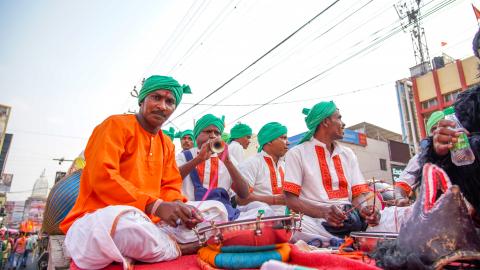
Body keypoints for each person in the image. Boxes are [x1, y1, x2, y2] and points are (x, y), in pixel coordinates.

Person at [59, 75, 227, 269]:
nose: (163, 106)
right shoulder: (114, 126)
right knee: (123, 223)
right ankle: (178, 247)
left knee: (217, 210)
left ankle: (154, 246)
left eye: (170, 102)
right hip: (99, 219)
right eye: (156, 97)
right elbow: (103, 176)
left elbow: (170, 185)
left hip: (152, 223)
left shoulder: (166, 144)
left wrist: (179, 209)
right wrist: (154, 206)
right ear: (142, 99)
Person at [283, 101, 380, 244]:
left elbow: (357, 195)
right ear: (326, 122)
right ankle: (344, 241)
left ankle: (345, 239)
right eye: (339, 118)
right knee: (297, 227)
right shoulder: (297, 153)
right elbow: (290, 200)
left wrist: (365, 209)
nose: (343, 123)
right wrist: (323, 212)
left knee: (392, 218)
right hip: (316, 222)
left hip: (351, 219)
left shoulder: (348, 154)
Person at [176, 114, 273, 221]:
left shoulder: (227, 158)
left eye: (217, 133)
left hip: (223, 214)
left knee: (263, 209)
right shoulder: (183, 157)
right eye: (208, 131)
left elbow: (244, 194)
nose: (213, 136)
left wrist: (228, 162)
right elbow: (171, 178)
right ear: (197, 135)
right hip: (193, 214)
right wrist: (198, 159)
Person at [237, 122, 289, 215]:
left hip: (285, 219)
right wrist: (275, 200)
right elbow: (241, 199)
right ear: (269, 140)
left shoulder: (284, 166)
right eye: (283, 138)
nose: (288, 142)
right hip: (259, 220)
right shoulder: (251, 164)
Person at [394, 110, 444, 206]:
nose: (440, 131)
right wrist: (400, 198)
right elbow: (401, 184)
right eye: (434, 129)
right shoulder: (421, 158)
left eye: (444, 126)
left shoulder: (469, 147)